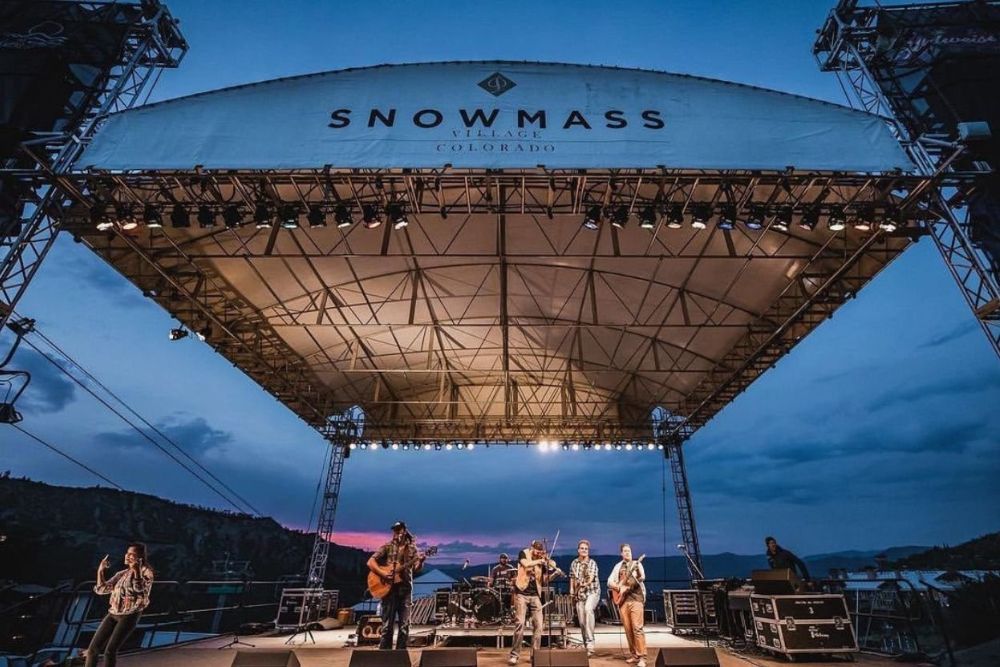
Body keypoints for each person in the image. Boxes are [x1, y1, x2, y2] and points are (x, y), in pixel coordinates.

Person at [85, 543, 154, 667]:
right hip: (113, 613)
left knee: (110, 651)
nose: (127, 556)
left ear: (139, 557)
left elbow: (140, 591)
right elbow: (102, 590)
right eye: (127, 553)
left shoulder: (146, 573)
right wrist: (100, 570)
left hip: (130, 615)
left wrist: (137, 571)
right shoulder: (122, 574)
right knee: (92, 650)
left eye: (131, 554)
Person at [367, 521, 428, 650]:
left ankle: (400, 654)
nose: (396, 532)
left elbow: (416, 569)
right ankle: (384, 655)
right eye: (395, 530)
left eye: (399, 530)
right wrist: (383, 573)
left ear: (404, 531)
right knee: (387, 625)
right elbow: (370, 562)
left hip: (405, 589)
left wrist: (421, 561)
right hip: (389, 590)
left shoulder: (412, 549)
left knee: (404, 625)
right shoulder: (387, 547)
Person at [508, 539, 553, 665]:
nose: (538, 553)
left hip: (535, 595)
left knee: (539, 625)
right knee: (520, 623)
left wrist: (551, 567)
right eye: (536, 551)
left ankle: (535, 655)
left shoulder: (542, 560)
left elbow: (544, 579)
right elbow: (526, 564)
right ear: (531, 548)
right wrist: (540, 560)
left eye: (540, 551)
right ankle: (514, 655)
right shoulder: (523, 553)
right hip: (521, 593)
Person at [607, 544, 646, 667]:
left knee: (637, 628)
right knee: (628, 629)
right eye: (625, 551)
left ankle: (642, 657)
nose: (627, 553)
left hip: (636, 599)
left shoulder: (637, 564)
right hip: (623, 601)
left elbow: (642, 577)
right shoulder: (618, 566)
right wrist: (619, 587)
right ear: (621, 554)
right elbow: (609, 581)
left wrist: (629, 586)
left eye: (629, 551)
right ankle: (634, 655)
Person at [569, 539, 600, 656]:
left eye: (586, 549)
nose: (584, 550)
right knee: (581, 622)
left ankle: (591, 644)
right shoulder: (574, 563)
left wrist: (584, 583)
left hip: (592, 592)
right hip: (579, 594)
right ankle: (586, 645)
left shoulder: (592, 563)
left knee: (588, 610)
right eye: (582, 548)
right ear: (578, 550)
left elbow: (591, 578)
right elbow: (572, 578)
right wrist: (572, 591)